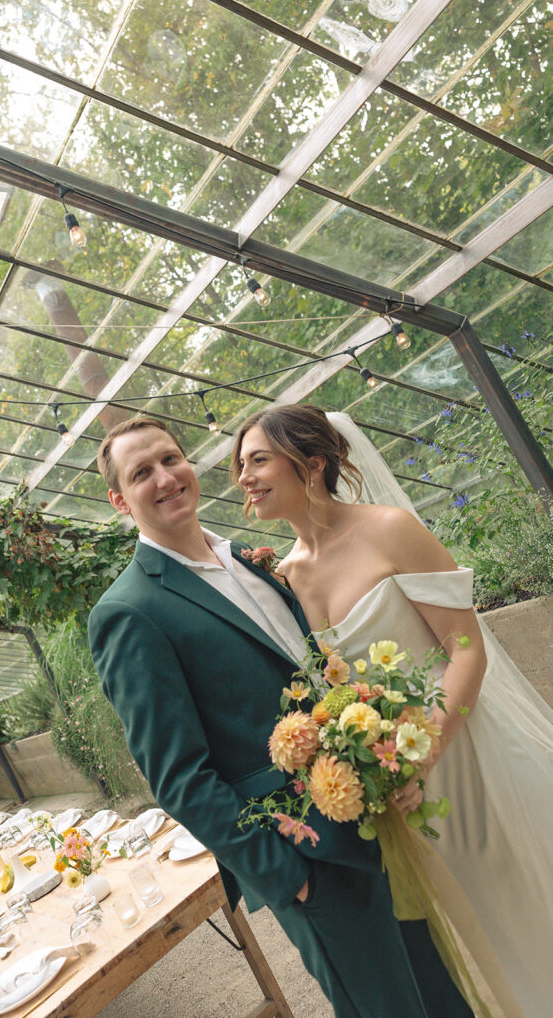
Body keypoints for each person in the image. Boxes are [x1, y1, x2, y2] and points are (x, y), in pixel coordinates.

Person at [88, 415, 474, 1018]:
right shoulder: (128, 612)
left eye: (171, 459)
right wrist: (289, 876)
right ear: (119, 501)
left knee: (441, 992)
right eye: (142, 473)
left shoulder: (256, 556)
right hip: (307, 856)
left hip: (368, 817)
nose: (165, 478)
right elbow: (177, 776)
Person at [232, 404, 553, 1018]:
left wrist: (428, 750)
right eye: (240, 465)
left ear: (313, 462)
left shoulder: (390, 529)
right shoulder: (284, 576)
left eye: (258, 460)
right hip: (397, 787)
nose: (243, 477)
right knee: (476, 924)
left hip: (462, 750)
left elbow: (466, 650)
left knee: (527, 897)